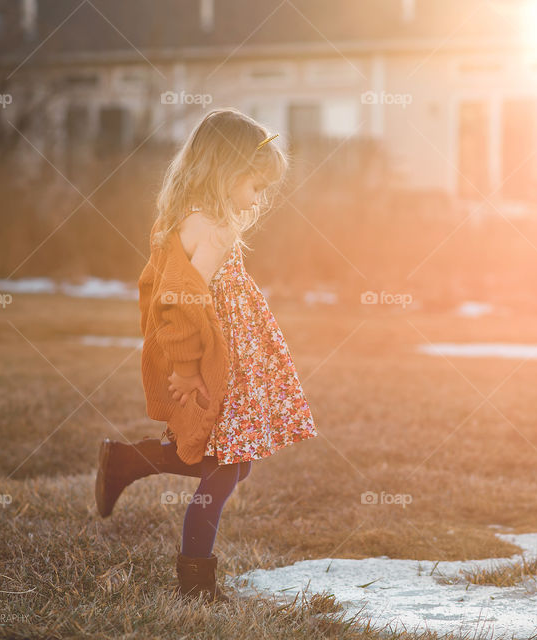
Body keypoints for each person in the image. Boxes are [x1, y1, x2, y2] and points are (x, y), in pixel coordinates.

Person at [94, 107, 318, 604]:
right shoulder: (212, 227)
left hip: (229, 357)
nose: (257, 197)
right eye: (255, 185)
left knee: (235, 465)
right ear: (227, 172)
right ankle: (196, 584)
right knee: (223, 469)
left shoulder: (185, 215)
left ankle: (127, 462)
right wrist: (190, 368)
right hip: (222, 363)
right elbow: (182, 302)